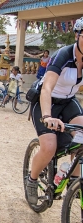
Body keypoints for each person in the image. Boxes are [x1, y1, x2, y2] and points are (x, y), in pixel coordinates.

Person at [26, 17, 83, 205]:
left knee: (81, 139)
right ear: (77, 35)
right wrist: (47, 116)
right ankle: (32, 180)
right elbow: (47, 88)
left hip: (68, 102)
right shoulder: (64, 55)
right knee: (49, 147)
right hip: (46, 101)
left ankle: (74, 183)